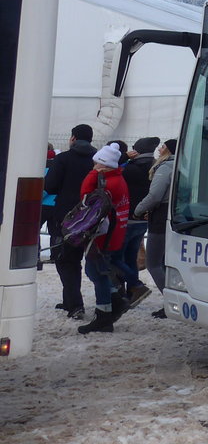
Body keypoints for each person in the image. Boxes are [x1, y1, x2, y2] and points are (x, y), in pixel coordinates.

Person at [77, 143, 139, 334]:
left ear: (103, 165)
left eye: (96, 164)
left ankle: (105, 314)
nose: (93, 167)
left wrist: (92, 175)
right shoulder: (117, 179)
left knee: (96, 272)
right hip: (113, 233)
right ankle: (115, 302)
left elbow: (86, 198)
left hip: (104, 236)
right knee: (99, 271)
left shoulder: (108, 183)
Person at [43, 123, 97, 320]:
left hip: (65, 217)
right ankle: (70, 300)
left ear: (73, 138)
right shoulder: (97, 160)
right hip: (91, 217)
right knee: (80, 259)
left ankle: (75, 304)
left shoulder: (63, 158)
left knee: (64, 260)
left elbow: (50, 185)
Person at [135, 138, 175, 318]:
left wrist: (139, 209)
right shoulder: (182, 166)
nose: (160, 149)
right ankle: (175, 300)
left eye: (164, 146)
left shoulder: (165, 167)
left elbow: (155, 195)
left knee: (153, 263)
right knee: (166, 262)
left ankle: (172, 301)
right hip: (172, 217)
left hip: (160, 219)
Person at [119, 136, 159, 299]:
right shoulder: (156, 166)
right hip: (145, 218)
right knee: (131, 256)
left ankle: (132, 285)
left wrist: (124, 157)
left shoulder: (130, 168)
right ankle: (132, 290)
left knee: (118, 257)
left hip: (127, 217)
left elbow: (110, 168)